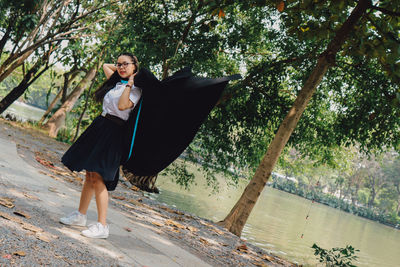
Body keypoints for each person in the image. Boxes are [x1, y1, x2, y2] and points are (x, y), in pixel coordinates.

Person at [59, 53, 141, 239]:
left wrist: (131, 81)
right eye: (119, 64)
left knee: (98, 177)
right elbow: (105, 65)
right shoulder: (117, 82)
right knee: (89, 173)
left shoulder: (136, 90)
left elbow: (122, 106)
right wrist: (123, 70)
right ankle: (80, 215)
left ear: (135, 66)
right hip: (100, 127)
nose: (120, 67)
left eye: (125, 64)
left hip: (114, 133)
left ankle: (103, 226)